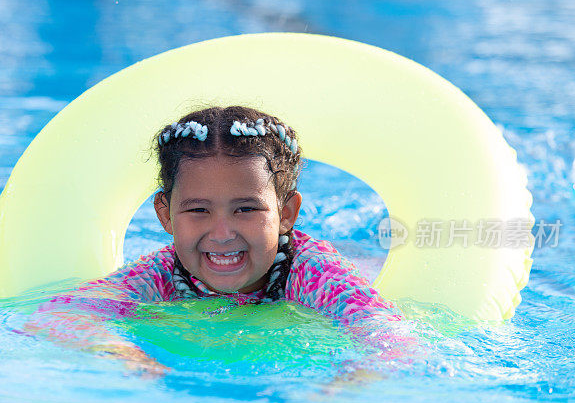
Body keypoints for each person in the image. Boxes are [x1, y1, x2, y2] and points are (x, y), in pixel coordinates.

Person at [25, 105, 416, 376]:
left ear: (286, 214)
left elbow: (393, 340)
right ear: (165, 214)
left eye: (246, 209)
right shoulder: (160, 274)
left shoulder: (312, 273)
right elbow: (55, 316)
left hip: (358, 259)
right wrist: (125, 355)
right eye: (198, 211)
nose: (222, 233)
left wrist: (345, 384)